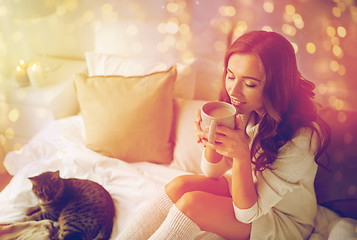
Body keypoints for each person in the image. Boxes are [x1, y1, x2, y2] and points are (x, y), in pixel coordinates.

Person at [119, 30, 331, 240]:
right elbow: (211, 172)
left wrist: (240, 157)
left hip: (282, 220)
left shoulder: (301, 139)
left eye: (249, 84)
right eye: (230, 76)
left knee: (192, 206)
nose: (234, 91)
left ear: (276, 85)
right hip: (248, 191)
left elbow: (247, 214)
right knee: (178, 186)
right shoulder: (245, 108)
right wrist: (211, 139)